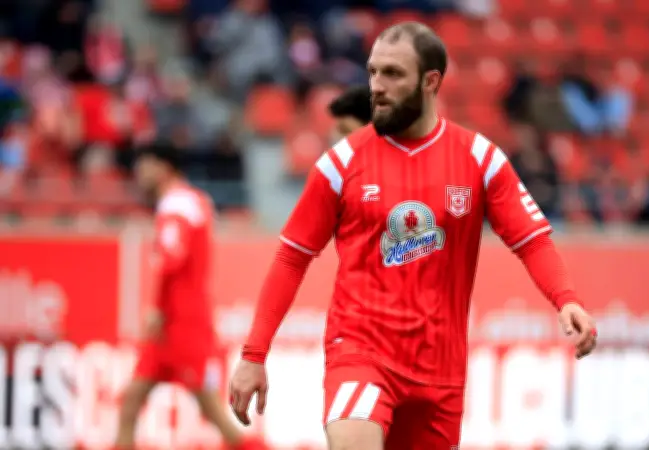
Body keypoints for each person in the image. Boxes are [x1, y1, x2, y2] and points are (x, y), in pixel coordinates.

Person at [229, 22, 597, 449]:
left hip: (440, 372)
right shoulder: (341, 163)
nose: (376, 86)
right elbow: (291, 258)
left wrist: (566, 299)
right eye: (373, 71)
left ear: (430, 81)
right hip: (361, 353)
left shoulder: (480, 160)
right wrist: (253, 355)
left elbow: (531, 240)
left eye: (393, 74)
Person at [114, 144, 264, 450]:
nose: (139, 171)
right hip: (175, 322)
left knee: (212, 410)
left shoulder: (176, 205)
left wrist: (157, 307)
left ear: (163, 167)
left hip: (181, 322)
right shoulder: (193, 201)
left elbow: (171, 258)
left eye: (145, 164)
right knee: (131, 401)